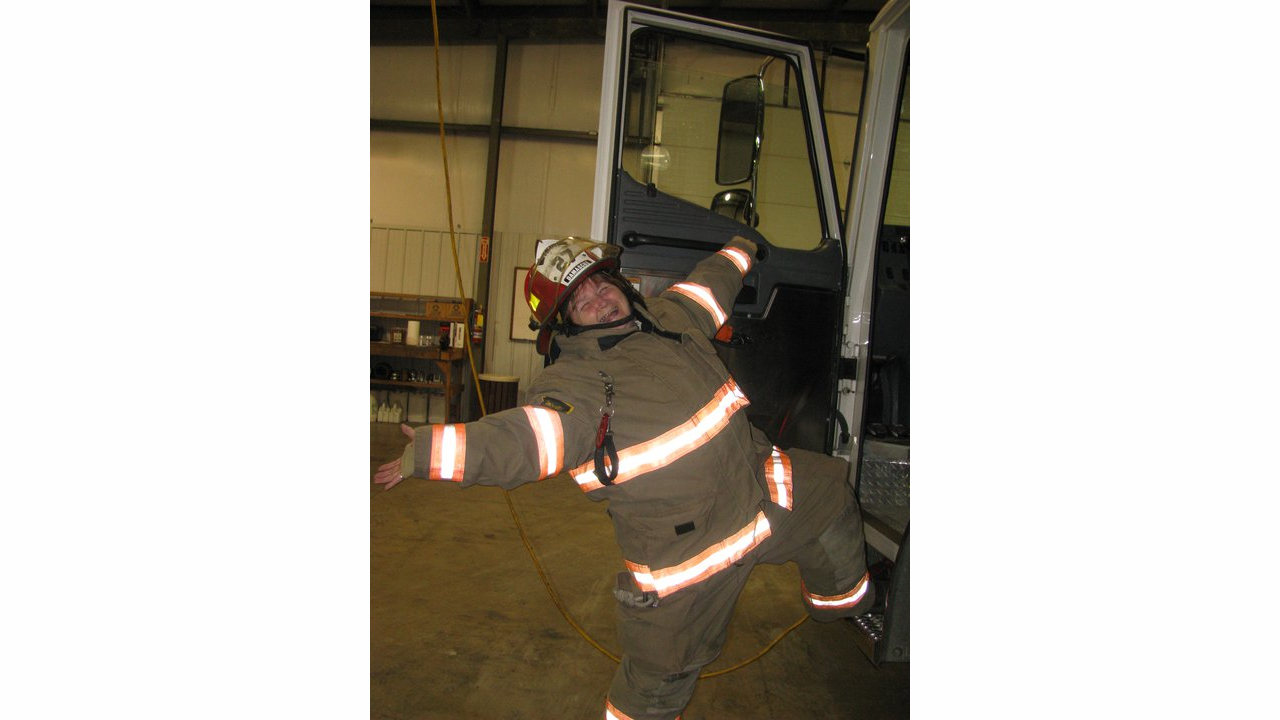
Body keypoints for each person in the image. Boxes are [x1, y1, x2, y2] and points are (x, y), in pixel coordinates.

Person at [373, 235, 875, 720]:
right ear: (563, 327)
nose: (600, 300)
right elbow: (527, 439)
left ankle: (840, 604)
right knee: (656, 684)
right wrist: (431, 450)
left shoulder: (670, 318)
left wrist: (740, 250)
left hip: (762, 492)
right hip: (686, 561)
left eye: (601, 284)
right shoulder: (573, 383)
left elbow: (707, 286)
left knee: (831, 494)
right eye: (580, 301)